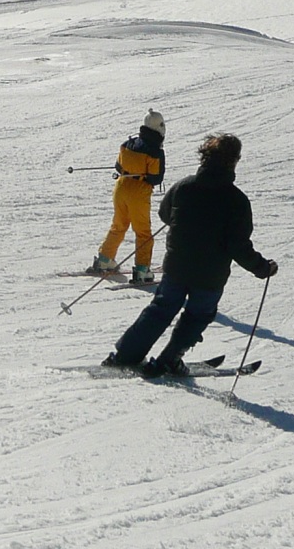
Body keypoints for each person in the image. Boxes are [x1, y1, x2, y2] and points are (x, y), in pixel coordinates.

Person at [104, 133, 276, 378]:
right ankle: (168, 360)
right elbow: (238, 246)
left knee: (161, 309)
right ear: (233, 161)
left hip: (177, 265)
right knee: (198, 315)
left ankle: (125, 355)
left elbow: (165, 215)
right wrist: (262, 267)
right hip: (209, 275)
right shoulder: (236, 200)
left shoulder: (184, 186)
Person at [92, 110, 166, 284]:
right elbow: (156, 178)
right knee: (143, 231)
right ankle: (142, 269)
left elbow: (118, 166)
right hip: (138, 193)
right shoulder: (155, 151)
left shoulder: (128, 143)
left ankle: (105, 259)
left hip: (121, 187)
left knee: (119, 225)